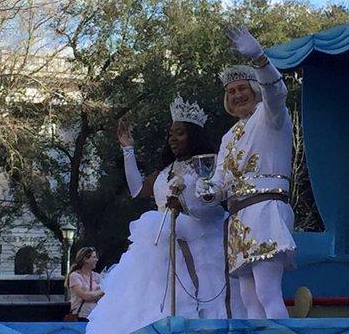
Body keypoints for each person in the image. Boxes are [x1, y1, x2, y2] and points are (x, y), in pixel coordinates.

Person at [86, 95, 242, 334]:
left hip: (198, 241)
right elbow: (138, 189)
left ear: (193, 135)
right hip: (158, 243)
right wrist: (128, 149)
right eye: (170, 134)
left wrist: (184, 205)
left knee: (200, 298)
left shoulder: (207, 165)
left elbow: (213, 202)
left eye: (179, 133)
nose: (173, 139)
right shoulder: (166, 170)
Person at [196, 26, 296, 319]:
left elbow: (277, 91)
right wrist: (209, 190)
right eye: (231, 91)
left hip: (266, 209)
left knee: (268, 292)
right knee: (248, 298)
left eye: (242, 88)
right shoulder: (228, 136)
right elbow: (221, 182)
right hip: (238, 218)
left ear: (254, 89)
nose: (237, 95)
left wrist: (260, 59)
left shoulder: (271, 115)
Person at [66, 247, 104, 322]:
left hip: (97, 315)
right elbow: (84, 296)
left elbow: (104, 296)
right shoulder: (75, 276)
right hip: (82, 316)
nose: (97, 260)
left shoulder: (97, 276)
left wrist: (93, 295)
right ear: (85, 260)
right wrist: (100, 292)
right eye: (94, 257)